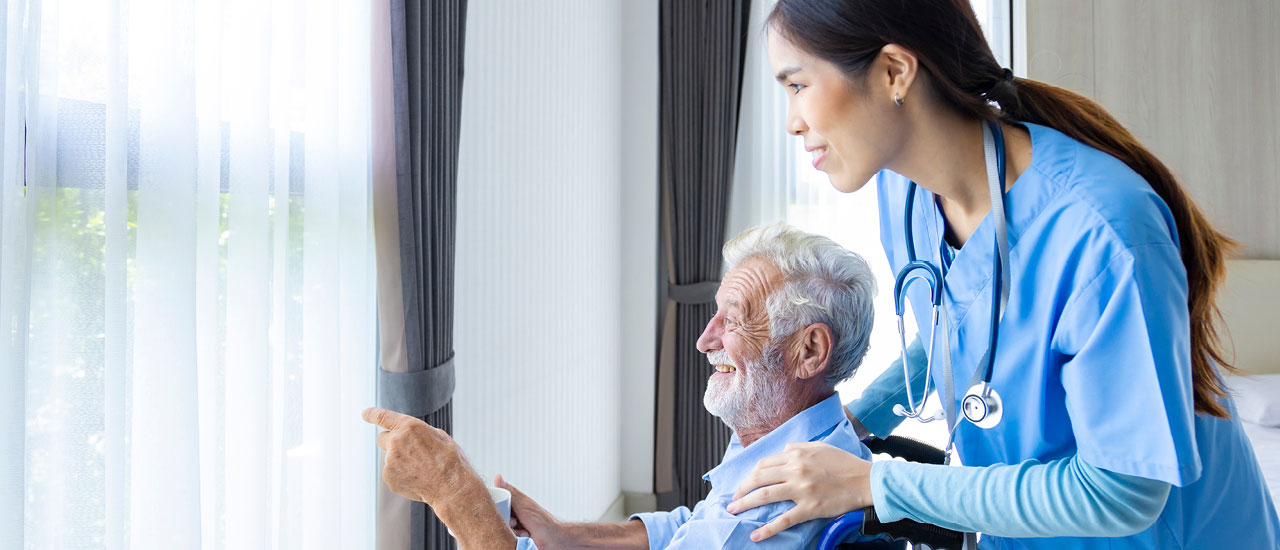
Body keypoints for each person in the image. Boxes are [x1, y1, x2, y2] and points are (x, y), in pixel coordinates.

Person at [725, 1, 1280, 548]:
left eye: (797, 86)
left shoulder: (1102, 230)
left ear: (895, 71)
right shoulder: (906, 191)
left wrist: (876, 483)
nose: (792, 122)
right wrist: (859, 415)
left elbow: (1125, 492)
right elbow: (965, 327)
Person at [364, 223, 881, 549]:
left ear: (808, 351)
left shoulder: (767, 513)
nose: (705, 341)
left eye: (735, 320)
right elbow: (697, 522)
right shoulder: (808, 439)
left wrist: (455, 493)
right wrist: (571, 536)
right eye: (714, 314)